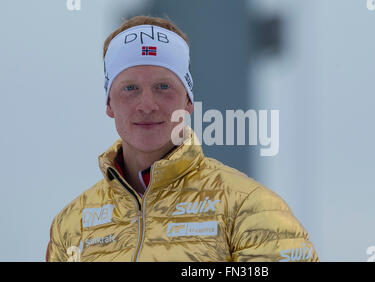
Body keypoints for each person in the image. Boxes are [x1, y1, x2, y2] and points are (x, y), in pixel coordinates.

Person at [45, 15, 319, 262]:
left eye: (163, 86)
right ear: (108, 104)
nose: (147, 104)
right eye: (130, 88)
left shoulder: (250, 208)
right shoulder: (73, 225)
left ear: (188, 101)